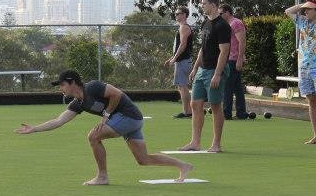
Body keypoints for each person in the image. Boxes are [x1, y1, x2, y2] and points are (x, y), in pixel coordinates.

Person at [16, 70, 193, 185]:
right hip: (130, 121)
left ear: (72, 82)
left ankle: (102, 176)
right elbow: (59, 120)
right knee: (143, 159)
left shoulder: (93, 87)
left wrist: (107, 114)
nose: (60, 88)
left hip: (129, 116)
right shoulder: (78, 103)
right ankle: (183, 165)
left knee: (93, 136)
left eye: (62, 84)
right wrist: (35, 129)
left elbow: (117, 94)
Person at [180, 0, 232, 152]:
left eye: (204, 4)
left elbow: (224, 51)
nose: (202, 6)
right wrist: (195, 68)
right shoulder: (205, 23)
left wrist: (217, 73)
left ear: (213, 5)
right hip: (202, 70)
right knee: (195, 104)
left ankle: (216, 144)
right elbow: (203, 49)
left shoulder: (222, 26)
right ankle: (195, 142)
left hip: (214, 71)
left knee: (216, 106)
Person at [284, 0, 316, 144]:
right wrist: (305, 3)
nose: (305, 11)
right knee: (311, 102)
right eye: (304, 10)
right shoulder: (302, 22)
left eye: (308, 9)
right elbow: (288, 11)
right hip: (304, 67)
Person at [219, 3, 248, 120]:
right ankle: (241, 113)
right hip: (229, 58)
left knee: (227, 86)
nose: (219, 15)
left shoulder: (236, 23)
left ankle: (226, 113)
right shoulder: (227, 24)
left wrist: (240, 59)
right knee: (237, 87)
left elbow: (242, 41)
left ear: (227, 12)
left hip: (233, 59)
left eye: (221, 13)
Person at [165, 5, 193, 119]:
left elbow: (183, 45)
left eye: (178, 14)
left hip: (183, 61)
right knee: (181, 86)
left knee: (182, 86)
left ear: (184, 15)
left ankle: (187, 112)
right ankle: (188, 111)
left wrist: (174, 59)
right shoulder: (182, 27)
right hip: (182, 61)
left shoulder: (184, 27)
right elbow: (179, 46)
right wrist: (172, 58)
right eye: (175, 14)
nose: (176, 15)